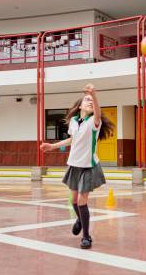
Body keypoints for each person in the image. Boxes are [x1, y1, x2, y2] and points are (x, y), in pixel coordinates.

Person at [40, 84, 114, 249]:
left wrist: (94, 95)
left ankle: (86, 236)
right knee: (73, 200)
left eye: (91, 101)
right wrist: (52, 146)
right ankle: (80, 219)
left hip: (89, 165)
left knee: (82, 201)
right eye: (86, 100)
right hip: (74, 164)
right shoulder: (74, 121)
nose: (89, 102)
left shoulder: (96, 121)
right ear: (80, 106)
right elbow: (72, 140)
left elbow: (98, 111)